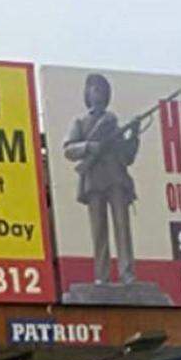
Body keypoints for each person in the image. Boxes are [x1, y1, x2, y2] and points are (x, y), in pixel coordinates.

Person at [63, 73, 141, 285]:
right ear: (87, 93)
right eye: (94, 88)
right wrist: (89, 147)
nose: (98, 92)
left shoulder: (112, 122)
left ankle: (127, 273)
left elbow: (126, 156)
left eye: (102, 89)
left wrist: (134, 134)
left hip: (116, 178)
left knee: (122, 227)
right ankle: (102, 276)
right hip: (94, 181)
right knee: (99, 231)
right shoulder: (80, 122)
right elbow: (69, 149)